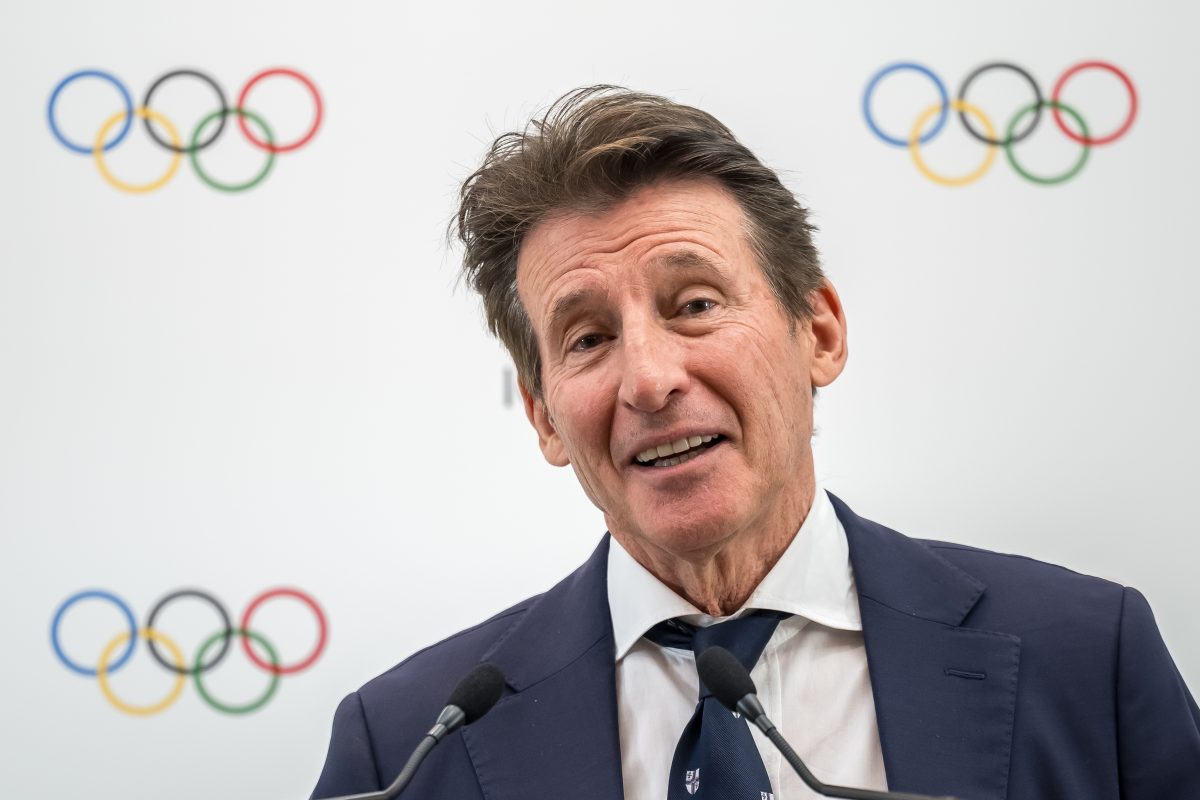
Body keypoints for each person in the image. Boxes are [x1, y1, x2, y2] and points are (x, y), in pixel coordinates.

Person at [310, 87, 1200, 800]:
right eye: (588, 339)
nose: (648, 379)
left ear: (819, 332)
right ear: (544, 416)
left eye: (695, 304)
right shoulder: (405, 745)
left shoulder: (1086, 657)